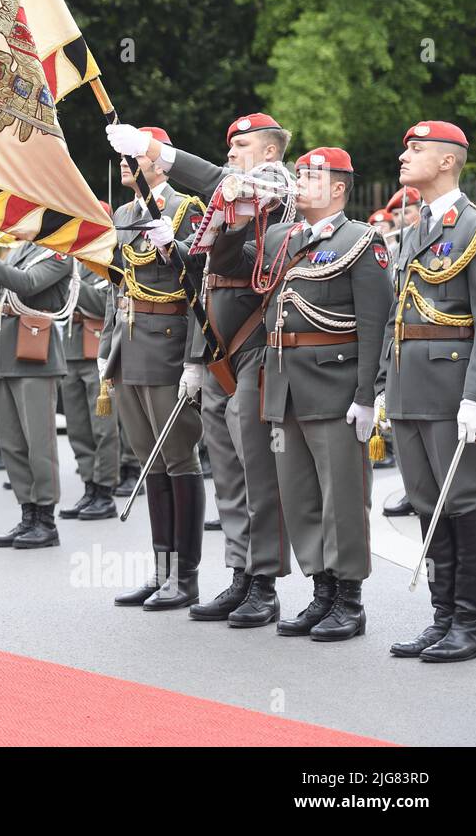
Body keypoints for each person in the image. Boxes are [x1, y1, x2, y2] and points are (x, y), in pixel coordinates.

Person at [108, 114, 291, 625]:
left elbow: (217, 185)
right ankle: (238, 573)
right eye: (229, 145)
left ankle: (264, 583)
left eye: (244, 145)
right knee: (229, 474)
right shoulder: (226, 200)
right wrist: (178, 247)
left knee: (257, 474)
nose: (232, 153)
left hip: (251, 346)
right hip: (215, 349)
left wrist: (157, 150)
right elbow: (203, 275)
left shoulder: (278, 185)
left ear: (271, 152)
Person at [214, 147, 391, 640]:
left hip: (335, 388)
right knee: (299, 495)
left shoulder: (362, 241)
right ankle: (322, 591)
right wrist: (236, 213)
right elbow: (229, 265)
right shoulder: (280, 237)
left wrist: (367, 394)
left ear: (338, 187)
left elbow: (375, 325)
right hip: (284, 385)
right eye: (299, 175)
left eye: (311, 177)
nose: (299, 183)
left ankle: (349, 598)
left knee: (342, 497)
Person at [382, 121, 476, 662]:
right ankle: (443, 617)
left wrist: (475, 395)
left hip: (450, 387)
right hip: (408, 387)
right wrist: (380, 387)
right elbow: (398, 314)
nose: (404, 156)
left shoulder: (472, 228)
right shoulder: (416, 228)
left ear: (447, 161)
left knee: (462, 502)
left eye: (416, 149)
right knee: (426, 502)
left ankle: (470, 620)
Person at [100, 127, 206, 607]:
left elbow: (202, 280)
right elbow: (117, 286)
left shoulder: (187, 210)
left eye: (134, 157)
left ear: (159, 163)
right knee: (150, 460)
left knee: (179, 457)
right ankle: (162, 568)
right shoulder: (124, 214)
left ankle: (186, 577)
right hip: (130, 345)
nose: (124, 164)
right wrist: (108, 346)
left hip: (167, 345)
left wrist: (194, 359)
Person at [0, 224, 74, 549]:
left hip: (35, 352)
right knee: (12, 443)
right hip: (7, 352)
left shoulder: (58, 252)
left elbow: (27, 284)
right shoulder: (18, 251)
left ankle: (46, 519)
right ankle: (28, 513)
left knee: (39, 442)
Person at [58, 236, 119, 522]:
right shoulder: (72, 263)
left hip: (96, 351)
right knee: (78, 427)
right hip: (70, 349)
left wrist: (70, 282)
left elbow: (99, 303)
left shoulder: (108, 262)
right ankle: (89, 486)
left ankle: (104, 491)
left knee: (103, 429)